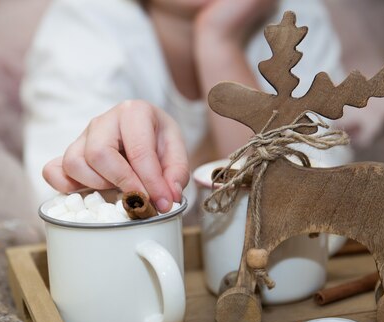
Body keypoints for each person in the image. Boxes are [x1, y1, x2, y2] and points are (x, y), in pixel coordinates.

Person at [21, 0, 350, 213]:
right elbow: (66, 213)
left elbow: (317, 212)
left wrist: (219, 45)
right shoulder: (82, 24)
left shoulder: (296, 15)